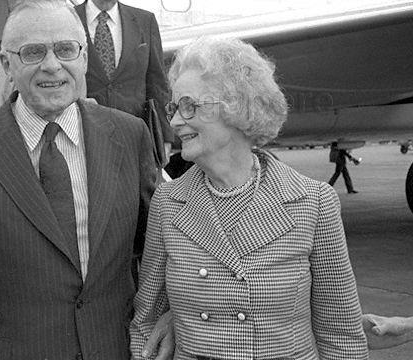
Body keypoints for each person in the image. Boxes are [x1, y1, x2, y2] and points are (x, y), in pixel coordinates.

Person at [0, 0, 158, 359]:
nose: (52, 66)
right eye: (33, 52)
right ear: (6, 65)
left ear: (83, 57)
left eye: (65, 50)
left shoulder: (129, 137)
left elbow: (155, 252)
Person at [131, 36, 368, 360]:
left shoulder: (313, 203)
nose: (173, 122)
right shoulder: (169, 203)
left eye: (189, 106)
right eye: (173, 108)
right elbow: (145, 323)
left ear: (236, 107)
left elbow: (341, 336)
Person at [75, 0, 172, 164]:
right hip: (83, 137)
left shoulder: (145, 22)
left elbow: (157, 83)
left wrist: (165, 136)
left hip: (134, 139)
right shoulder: (68, 20)